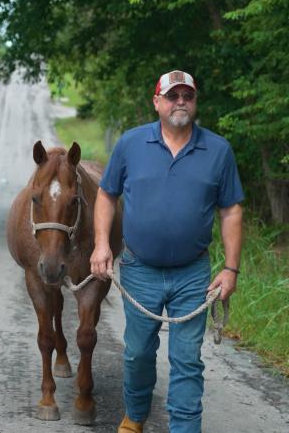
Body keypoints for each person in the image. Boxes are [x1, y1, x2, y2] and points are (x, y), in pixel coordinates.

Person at [90, 70, 244, 433]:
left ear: (195, 102)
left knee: (187, 359)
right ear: (156, 102)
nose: (180, 102)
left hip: (193, 274)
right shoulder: (130, 144)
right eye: (172, 96)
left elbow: (231, 209)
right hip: (139, 268)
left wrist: (231, 269)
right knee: (138, 353)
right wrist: (100, 244)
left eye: (187, 96)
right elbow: (107, 194)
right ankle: (135, 415)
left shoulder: (218, 150)